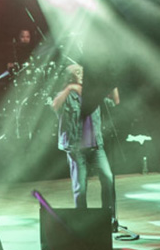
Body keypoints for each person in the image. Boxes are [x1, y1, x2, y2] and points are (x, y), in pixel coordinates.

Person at [52, 64, 126, 234]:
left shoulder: (93, 94)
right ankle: (81, 222)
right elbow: (55, 106)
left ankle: (109, 219)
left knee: (108, 178)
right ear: (69, 77)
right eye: (76, 72)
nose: (80, 73)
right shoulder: (66, 95)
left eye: (82, 71)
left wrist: (112, 84)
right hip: (76, 148)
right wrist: (70, 88)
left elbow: (115, 102)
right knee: (81, 187)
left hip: (96, 146)